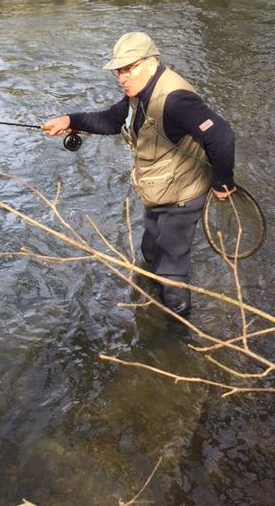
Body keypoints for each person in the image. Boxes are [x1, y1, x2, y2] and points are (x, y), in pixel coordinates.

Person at [41, 32, 235, 316]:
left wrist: (222, 184)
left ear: (152, 62)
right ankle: (150, 301)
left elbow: (221, 135)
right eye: (119, 70)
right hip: (158, 191)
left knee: (171, 270)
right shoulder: (139, 93)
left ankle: (176, 334)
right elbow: (110, 119)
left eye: (129, 68)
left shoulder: (175, 99)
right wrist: (70, 120)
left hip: (181, 196)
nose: (122, 77)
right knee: (149, 249)